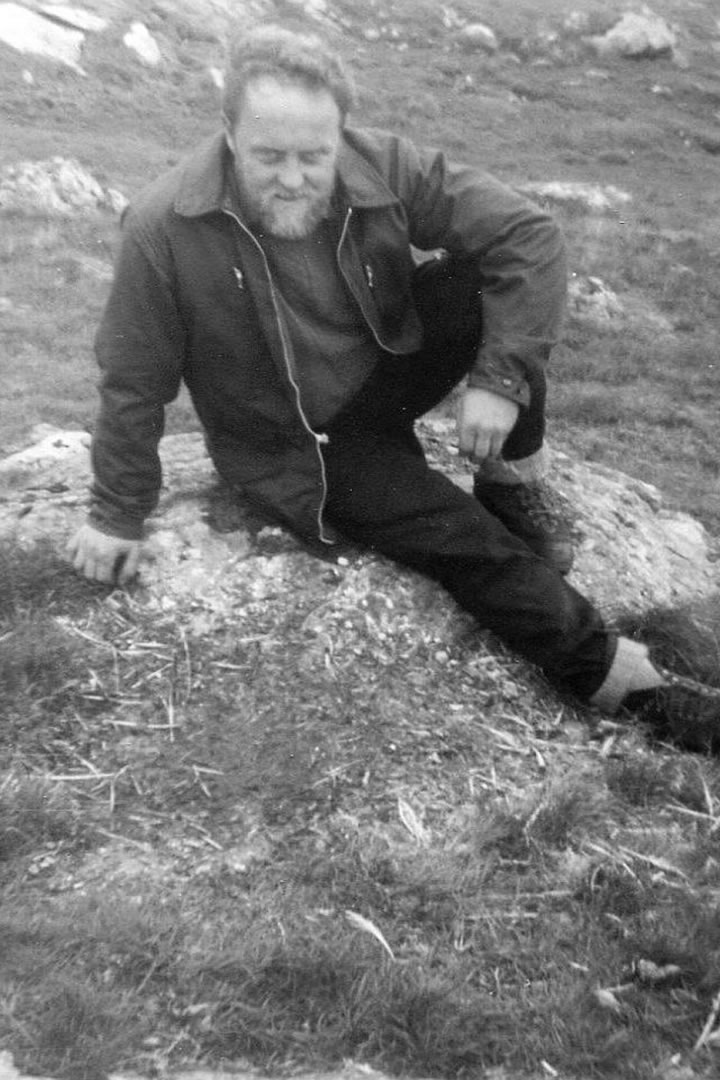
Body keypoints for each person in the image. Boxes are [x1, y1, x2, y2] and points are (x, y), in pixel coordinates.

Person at [67, 23, 720, 752]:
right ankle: (621, 678)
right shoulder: (163, 226)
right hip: (306, 445)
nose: (293, 177)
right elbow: (132, 382)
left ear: (341, 134)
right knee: (466, 545)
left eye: (314, 156)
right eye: (269, 156)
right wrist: (116, 513)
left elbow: (529, 237)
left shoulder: (382, 165)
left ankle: (510, 487)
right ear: (227, 131)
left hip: (385, 379)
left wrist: (498, 382)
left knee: (489, 290)